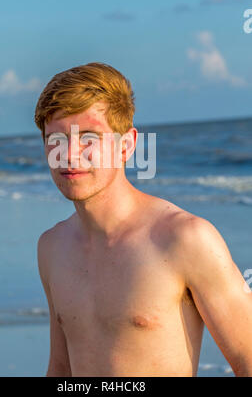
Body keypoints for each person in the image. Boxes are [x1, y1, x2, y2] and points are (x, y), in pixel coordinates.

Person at [34, 62, 252, 377]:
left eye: (89, 138)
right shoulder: (52, 247)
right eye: (56, 140)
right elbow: (61, 368)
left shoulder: (185, 238)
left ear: (127, 145)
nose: (69, 154)